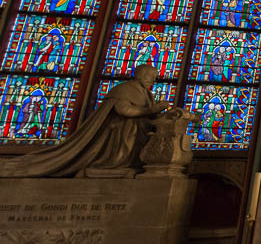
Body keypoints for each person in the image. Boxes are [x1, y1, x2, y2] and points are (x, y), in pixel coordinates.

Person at [0, 64, 172, 178]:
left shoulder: (146, 92)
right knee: (116, 158)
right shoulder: (124, 89)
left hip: (135, 133)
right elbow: (123, 110)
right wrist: (151, 110)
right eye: (151, 76)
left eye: (155, 77)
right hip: (119, 133)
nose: (154, 80)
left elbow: (147, 116)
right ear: (140, 75)